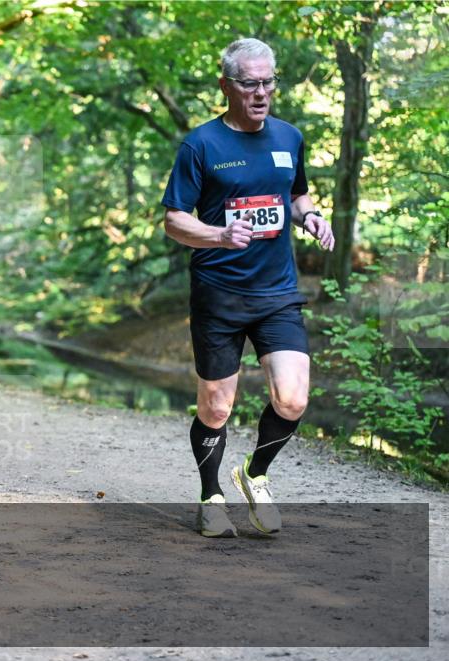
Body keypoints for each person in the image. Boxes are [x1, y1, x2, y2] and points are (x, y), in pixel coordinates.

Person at [162, 38, 335, 537]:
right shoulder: (201, 144)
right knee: (216, 406)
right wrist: (218, 234)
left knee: (293, 399)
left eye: (268, 82)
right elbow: (174, 220)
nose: (261, 93)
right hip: (219, 293)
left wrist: (312, 217)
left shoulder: (289, 137)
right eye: (249, 83)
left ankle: (254, 474)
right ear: (227, 86)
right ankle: (211, 494)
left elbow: (296, 194)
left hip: (277, 292)